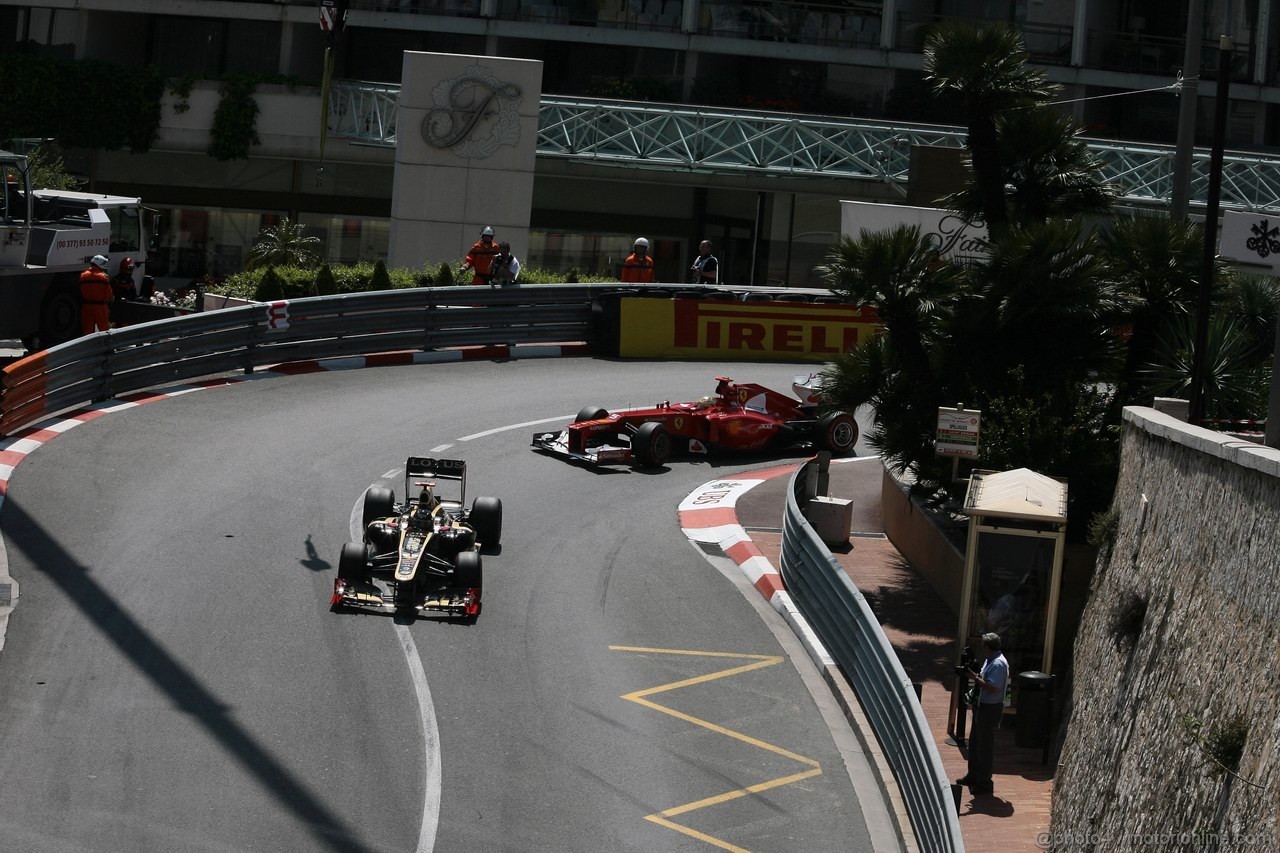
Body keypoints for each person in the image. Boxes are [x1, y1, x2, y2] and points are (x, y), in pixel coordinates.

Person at [957, 632, 1009, 795]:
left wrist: (972, 676)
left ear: (987, 647)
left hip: (989, 708)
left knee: (984, 746)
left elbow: (993, 687)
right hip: (982, 706)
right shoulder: (991, 659)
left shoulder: (999, 664)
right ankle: (973, 776)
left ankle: (984, 782)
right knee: (975, 742)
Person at [79, 254, 113, 335]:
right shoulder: (103, 276)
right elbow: (109, 294)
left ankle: (88, 347)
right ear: (100, 264)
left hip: (86, 306)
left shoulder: (83, 275)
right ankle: (105, 347)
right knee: (104, 331)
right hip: (100, 307)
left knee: (87, 332)